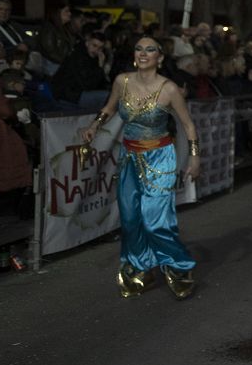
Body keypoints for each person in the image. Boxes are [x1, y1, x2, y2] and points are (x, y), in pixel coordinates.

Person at [81, 37, 200, 300]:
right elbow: (109, 109)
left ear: (160, 58)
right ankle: (140, 265)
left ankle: (178, 266)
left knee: (156, 219)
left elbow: (188, 125)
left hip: (160, 157)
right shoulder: (122, 81)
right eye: (139, 48)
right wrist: (93, 126)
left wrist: (194, 158)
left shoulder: (169, 89)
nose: (143, 53)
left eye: (150, 49)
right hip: (129, 157)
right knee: (131, 218)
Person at [50, 30, 110, 109]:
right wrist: (100, 68)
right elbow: (87, 85)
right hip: (69, 95)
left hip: (77, 93)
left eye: (100, 48)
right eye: (94, 46)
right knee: (108, 97)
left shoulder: (94, 58)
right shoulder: (77, 57)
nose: (96, 50)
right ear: (87, 43)